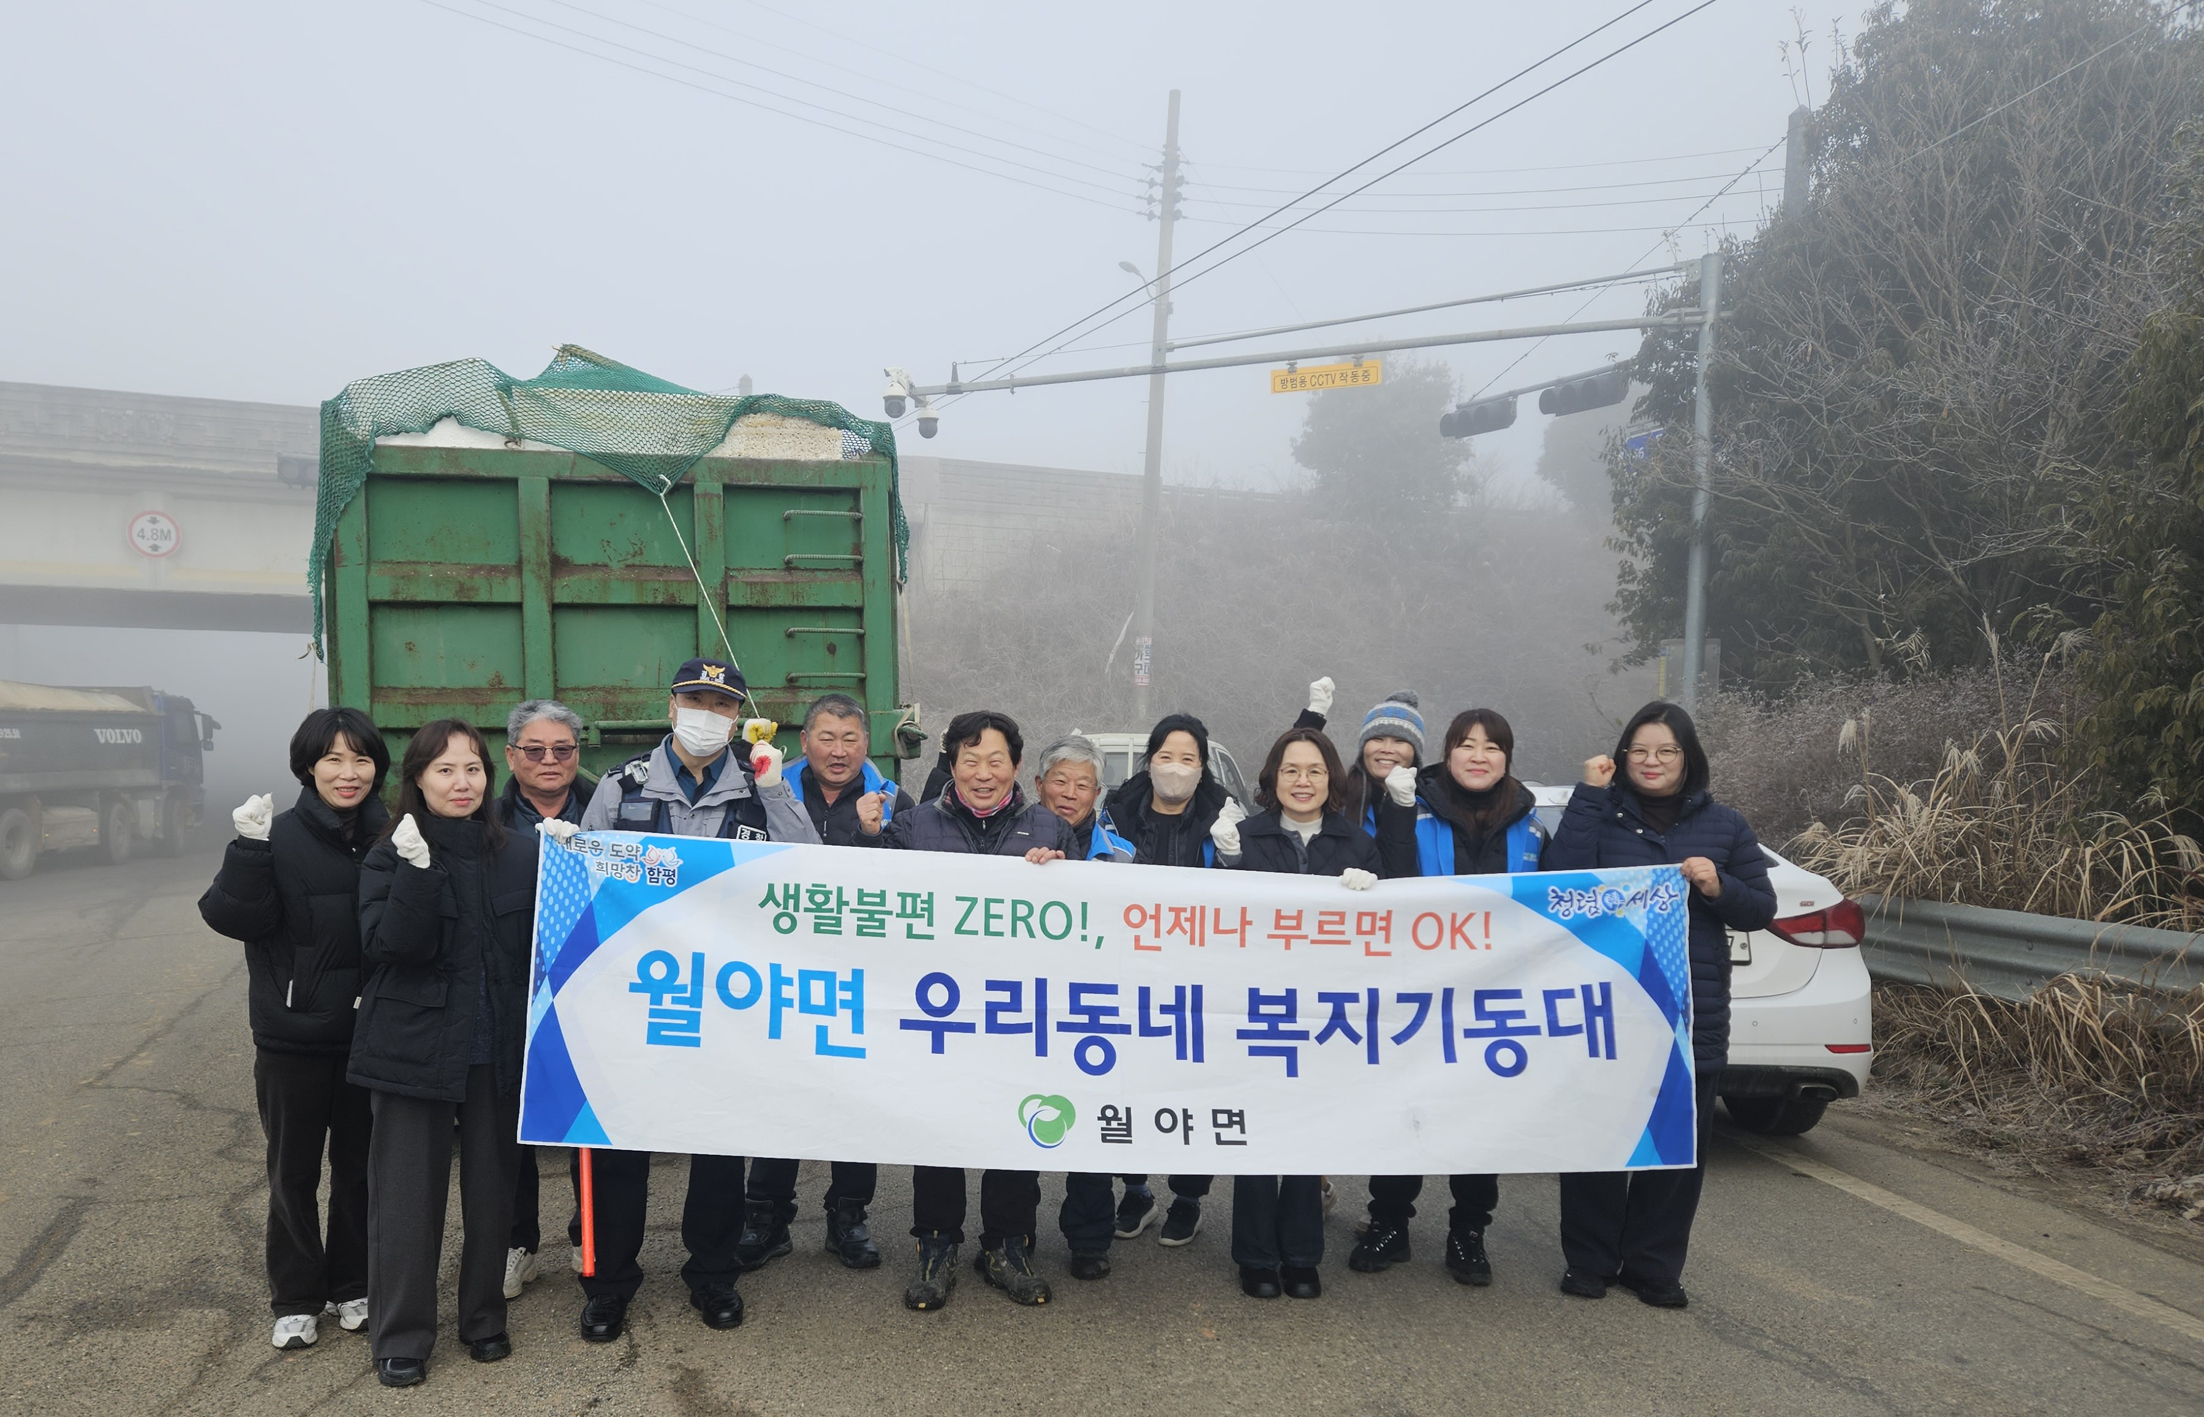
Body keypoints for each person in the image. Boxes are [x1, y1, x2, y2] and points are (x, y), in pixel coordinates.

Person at [563, 657, 819, 1343]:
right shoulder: (623, 787)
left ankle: (713, 1273)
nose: (709, 713)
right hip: (637, 998)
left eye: (723, 703)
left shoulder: (759, 789)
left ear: (739, 717)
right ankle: (609, 1283)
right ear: (672, 705)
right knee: (618, 1144)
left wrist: (777, 792)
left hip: (727, 1005)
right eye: (696, 698)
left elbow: (810, 871)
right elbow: (585, 878)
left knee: (718, 1144)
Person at [1546, 701, 1776, 1309]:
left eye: (1666, 751)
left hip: (1689, 1011)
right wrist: (1589, 796)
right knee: (1598, 1138)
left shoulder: (1725, 826)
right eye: (1640, 751)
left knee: (1677, 1146)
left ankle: (1654, 1267)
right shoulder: (1602, 815)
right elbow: (1558, 879)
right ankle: (1589, 1262)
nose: (1652, 762)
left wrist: (1717, 886)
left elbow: (1761, 908)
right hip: (1607, 1008)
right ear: (1622, 757)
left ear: (1687, 758)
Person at [856, 709, 1072, 1309]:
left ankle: (1008, 1245)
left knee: (1016, 1124)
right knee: (939, 1126)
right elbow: (865, 893)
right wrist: (868, 837)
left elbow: (1087, 920)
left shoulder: (1049, 828)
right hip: (939, 1010)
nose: (983, 773)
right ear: (950, 764)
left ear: (1017, 766)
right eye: (969, 760)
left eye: (995, 760)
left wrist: (1062, 875)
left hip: (1018, 1011)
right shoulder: (915, 824)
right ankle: (936, 1246)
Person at [350, 719, 539, 1387]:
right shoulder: (389, 853)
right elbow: (389, 946)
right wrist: (416, 873)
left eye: (474, 769)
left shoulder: (519, 853)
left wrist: (581, 866)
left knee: (494, 1194)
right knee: (406, 1200)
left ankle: (484, 1318)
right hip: (413, 1050)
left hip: (494, 1053)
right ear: (418, 780)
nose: (462, 782)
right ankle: (401, 1335)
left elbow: (543, 951)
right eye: (445, 770)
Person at [197, 707, 390, 1353]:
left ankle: (353, 1283)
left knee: (360, 1169)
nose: (348, 771)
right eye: (333, 758)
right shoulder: (275, 836)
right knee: (293, 1171)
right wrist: (247, 851)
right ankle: (297, 1297)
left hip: (369, 1035)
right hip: (292, 1036)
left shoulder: (392, 832)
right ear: (308, 764)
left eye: (361, 758)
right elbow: (231, 917)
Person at [1348, 708, 1546, 1286]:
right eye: (1466, 744)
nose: (1478, 756)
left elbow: (1559, 905)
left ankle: (1469, 1232)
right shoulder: (1411, 806)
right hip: (1418, 992)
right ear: (1447, 752)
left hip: (1496, 998)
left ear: (1507, 758)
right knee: (1407, 1108)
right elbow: (1383, 877)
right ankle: (1388, 1224)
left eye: (1492, 746)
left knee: (1481, 1118)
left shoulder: (1530, 826)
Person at [1209, 725, 1390, 1300]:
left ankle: (1303, 1255)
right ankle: (1257, 1256)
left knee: (1310, 1131)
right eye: (1290, 770)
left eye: (1314, 770)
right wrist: (1228, 862)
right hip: (1259, 1006)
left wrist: (1377, 890)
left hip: (1326, 1012)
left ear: (1331, 778)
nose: (1302, 781)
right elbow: (1217, 920)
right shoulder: (1246, 836)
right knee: (1261, 1132)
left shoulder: (1356, 844)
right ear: (1272, 779)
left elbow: (1389, 927)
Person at [738, 692, 910, 1273]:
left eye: (851, 739)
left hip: (862, 978)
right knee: (777, 1094)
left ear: (868, 744)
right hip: (780, 973)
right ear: (804, 741)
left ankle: (849, 1215)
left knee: (853, 1097)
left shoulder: (894, 801)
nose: (839, 752)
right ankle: (766, 1216)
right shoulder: (763, 789)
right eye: (826, 738)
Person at [1025, 735, 1138, 1280]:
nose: (1069, 794)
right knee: (1017, 1121)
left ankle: (1090, 1239)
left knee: (1091, 1129)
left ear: (1098, 794)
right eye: (1060, 782)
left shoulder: (1122, 855)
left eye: (1083, 785)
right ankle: (1013, 1233)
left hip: (1091, 1008)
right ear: (1039, 785)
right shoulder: (1010, 844)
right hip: (1022, 1007)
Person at [492, 700, 587, 1303]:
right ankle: (516, 1243)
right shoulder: (484, 815)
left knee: (587, 1119)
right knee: (507, 1129)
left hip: (587, 991)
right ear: (511, 756)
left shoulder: (608, 809)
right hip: (506, 993)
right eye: (535, 750)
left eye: (563, 750)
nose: (549, 760)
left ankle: (588, 1235)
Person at [1344, 690, 1426, 834]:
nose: (1387, 749)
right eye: (1378, 739)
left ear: (1415, 753)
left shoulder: (1431, 805)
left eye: (1399, 741)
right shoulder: (1338, 797)